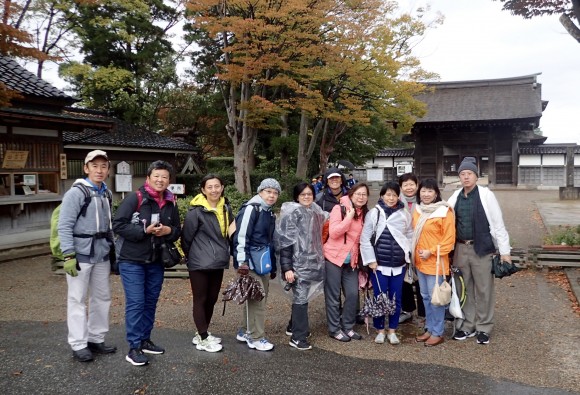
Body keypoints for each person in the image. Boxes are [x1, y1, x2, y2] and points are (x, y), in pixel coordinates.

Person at [113, 160, 181, 365]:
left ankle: (144, 340)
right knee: (136, 302)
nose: (160, 180)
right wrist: (144, 230)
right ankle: (133, 347)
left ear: (169, 180)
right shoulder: (136, 198)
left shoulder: (170, 202)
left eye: (164, 177)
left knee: (150, 301)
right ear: (148, 178)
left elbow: (177, 229)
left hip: (156, 260)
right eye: (156, 176)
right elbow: (118, 225)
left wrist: (168, 231)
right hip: (132, 260)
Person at [58, 149, 117, 362]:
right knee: (77, 299)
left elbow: (109, 225)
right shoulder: (76, 193)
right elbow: (64, 225)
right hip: (80, 253)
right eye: (94, 166)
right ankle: (78, 343)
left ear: (108, 170)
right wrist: (68, 255)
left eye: (103, 166)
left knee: (102, 297)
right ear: (86, 168)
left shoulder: (106, 193)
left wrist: (113, 251)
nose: (99, 170)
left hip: (101, 253)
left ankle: (96, 338)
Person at [447, 157, 511, 345]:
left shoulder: (486, 195)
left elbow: (498, 224)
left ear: (476, 176)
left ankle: (484, 327)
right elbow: (443, 218)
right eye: (462, 174)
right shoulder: (455, 196)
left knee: (484, 289)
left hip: (481, 248)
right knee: (463, 288)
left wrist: (504, 251)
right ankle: (467, 325)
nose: (465, 177)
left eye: (469, 174)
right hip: (460, 247)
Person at [181, 174, 234, 353]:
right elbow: (186, 238)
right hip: (199, 262)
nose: (214, 190)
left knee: (212, 299)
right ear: (203, 190)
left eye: (217, 186)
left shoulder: (226, 208)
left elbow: (230, 233)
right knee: (201, 298)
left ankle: (202, 332)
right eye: (209, 187)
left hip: (218, 261)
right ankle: (203, 337)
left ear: (222, 188)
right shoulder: (195, 211)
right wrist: (191, 255)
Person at [360, 182, 412, 345]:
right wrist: (371, 260)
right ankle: (380, 330)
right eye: (388, 194)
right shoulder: (374, 213)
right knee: (379, 298)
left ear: (398, 196)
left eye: (394, 195)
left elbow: (410, 234)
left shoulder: (405, 213)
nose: (391, 198)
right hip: (379, 265)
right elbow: (365, 238)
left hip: (398, 264)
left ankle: (393, 330)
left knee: (396, 299)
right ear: (382, 195)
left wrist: (407, 254)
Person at [277, 182, 327, 351]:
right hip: (297, 264)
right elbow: (285, 243)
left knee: (302, 297)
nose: (306, 197)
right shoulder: (291, 214)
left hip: (311, 262)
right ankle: (298, 337)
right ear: (297, 196)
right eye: (303, 194)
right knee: (300, 298)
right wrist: (287, 268)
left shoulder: (315, 211)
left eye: (309, 194)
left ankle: (293, 327)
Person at [233, 178, 280, 351]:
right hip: (250, 262)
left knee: (254, 298)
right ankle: (256, 337)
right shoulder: (251, 209)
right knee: (257, 299)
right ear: (260, 192)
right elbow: (241, 236)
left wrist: (273, 266)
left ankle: (245, 330)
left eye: (275, 193)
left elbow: (270, 242)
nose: (272, 195)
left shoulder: (268, 212)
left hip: (263, 262)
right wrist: (242, 262)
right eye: (268, 191)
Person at [411, 179, 455, 347]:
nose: (426, 194)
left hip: (436, 263)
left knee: (436, 298)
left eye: (430, 191)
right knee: (425, 297)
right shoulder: (418, 210)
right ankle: (429, 328)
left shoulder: (444, 211)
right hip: (420, 262)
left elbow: (449, 240)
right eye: (423, 191)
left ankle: (437, 332)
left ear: (436, 193)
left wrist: (431, 251)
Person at [324, 182, 369, 342]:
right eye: (358, 194)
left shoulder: (365, 213)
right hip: (333, 258)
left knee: (352, 294)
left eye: (364, 194)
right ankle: (334, 329)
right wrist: (349, 218)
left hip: (352, 261)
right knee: (333, 296)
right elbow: (334, 233)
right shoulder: (340, 209)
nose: (361, 197)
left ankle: (348, 327)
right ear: (351, 194)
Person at [398, 173, 425, 324]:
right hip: (402, 246)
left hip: (421, 245)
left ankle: (424, 311)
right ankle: (407, 310)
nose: (409, 187)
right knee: (404, 279)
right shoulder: (395, 201)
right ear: (401, 187)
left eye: (412, 184)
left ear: (417, 185)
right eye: (405, 185)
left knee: (422, 278)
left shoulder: (424, 201)